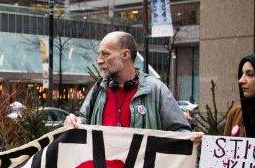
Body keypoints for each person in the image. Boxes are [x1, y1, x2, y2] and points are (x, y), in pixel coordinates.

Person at [64, 31, 192, 133]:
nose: (99, 60)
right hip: (102, 166)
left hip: (141, 166)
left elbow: (181, 131)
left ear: (125, 55)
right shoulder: (98, 90)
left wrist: (191, 139)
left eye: (105, 54)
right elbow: (83, 121)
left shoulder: (156, 89)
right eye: (99, 55)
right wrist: (75, 121)